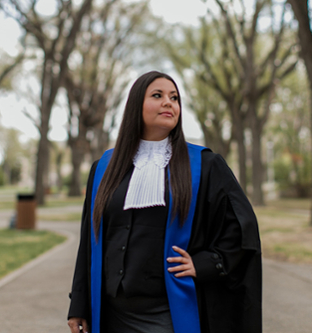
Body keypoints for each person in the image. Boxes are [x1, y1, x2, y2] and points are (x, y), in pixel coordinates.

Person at [67, 71, 262, 333]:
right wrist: (79, 304)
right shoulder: (104, 168)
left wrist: (205, 263)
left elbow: (241, 226)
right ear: (136, 105)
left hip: (166, 313)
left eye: (174, 98)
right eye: (157, 96)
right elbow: (88, 240)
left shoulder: (204, 165)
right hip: (111, 312)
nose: (168, 102)